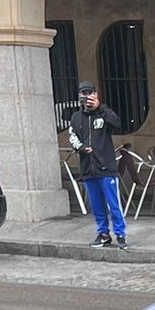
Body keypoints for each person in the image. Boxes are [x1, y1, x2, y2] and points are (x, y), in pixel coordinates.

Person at [65, 81, 126, 251]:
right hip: (88, 169)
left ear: (95, 94)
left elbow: (117, 124)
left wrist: (100, 108)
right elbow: (72, 137)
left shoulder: (104, 113)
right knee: (97, 205)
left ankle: (120, 234)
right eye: (83, 93)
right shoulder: (76, 117)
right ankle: (103, 234)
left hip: (106, 167)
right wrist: (82, 148)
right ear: (79, 96)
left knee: (114, 204)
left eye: (89, 92)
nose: (86, 96)